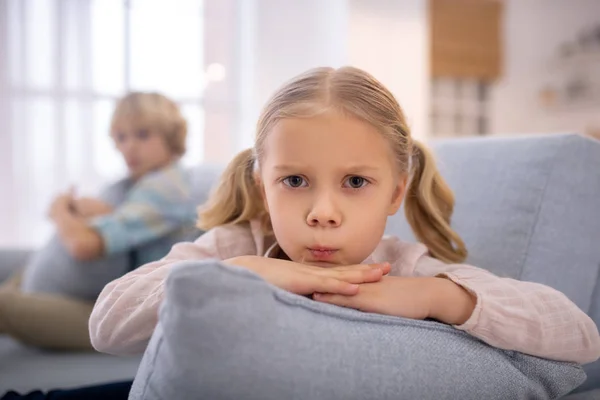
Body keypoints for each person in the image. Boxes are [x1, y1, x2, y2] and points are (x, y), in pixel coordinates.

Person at [90, 66, 600, 364]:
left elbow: (580, 334)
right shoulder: (234, 246)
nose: (323, 214)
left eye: (356, 183)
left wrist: (438, 295)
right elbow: (107, 325)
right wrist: (243, 273)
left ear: (395, 194)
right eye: (294, 181)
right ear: (263, 190)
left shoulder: (400, 267)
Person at [0, 92, 199, 351]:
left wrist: (60, 210)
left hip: (128, 316)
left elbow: (83, 246)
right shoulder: (135, 185)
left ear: (171, 135)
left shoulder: (166, 187)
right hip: (111, 300)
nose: (129, 146)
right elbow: (126, 223)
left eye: (142, 134)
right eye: (121, 137)